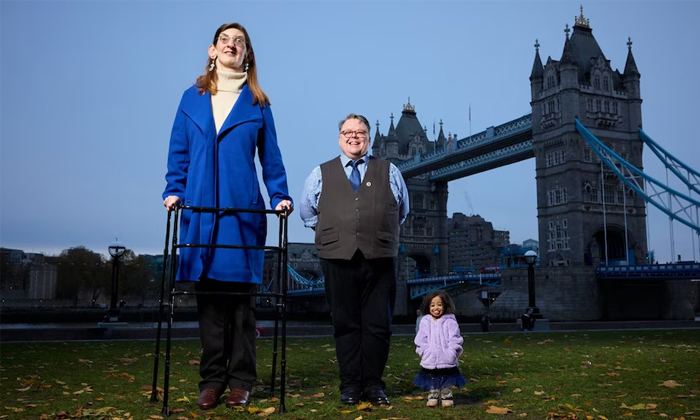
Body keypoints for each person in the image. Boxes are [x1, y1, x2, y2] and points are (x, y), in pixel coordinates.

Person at [162, 22, 293, 410]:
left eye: (240, 41)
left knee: (240, 305)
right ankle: (212, 380)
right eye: (225, 40)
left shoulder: (258, 103)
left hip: (241, 213)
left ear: (247, 54)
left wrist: (280, 194)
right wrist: (174, 188)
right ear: (212, 50)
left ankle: (241, 380)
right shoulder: (191, 98)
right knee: (210, 305)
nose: (232, 45)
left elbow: (271, 158)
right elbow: (178, 150)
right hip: (201, 212)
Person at [299, 113, 409, 406]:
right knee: (345, 324)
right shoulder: (319, 173)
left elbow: (402, 211)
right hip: (337, 258)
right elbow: (307, 213)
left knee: (378, 325)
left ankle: (374, 385)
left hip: (380, 257)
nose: (354, 136)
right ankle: (349, 386)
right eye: (348, 132)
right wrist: (337, 230)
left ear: (368, 138)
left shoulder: (390, 171)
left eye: (360, 132)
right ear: (339, 138)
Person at [414, 290, 467, 407]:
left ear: (445, 305)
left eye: (439, 304)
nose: (436, 308)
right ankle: (433, 393)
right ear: (428, 306)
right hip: (430, 356)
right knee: (432, 376)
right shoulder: (425, 321)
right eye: (432, 305)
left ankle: (446, 393)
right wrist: (424, 351)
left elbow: (455, 338)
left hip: (446, 357)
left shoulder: (450, 321)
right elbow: (421, 338)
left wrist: (452, 352)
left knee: (445, 377)